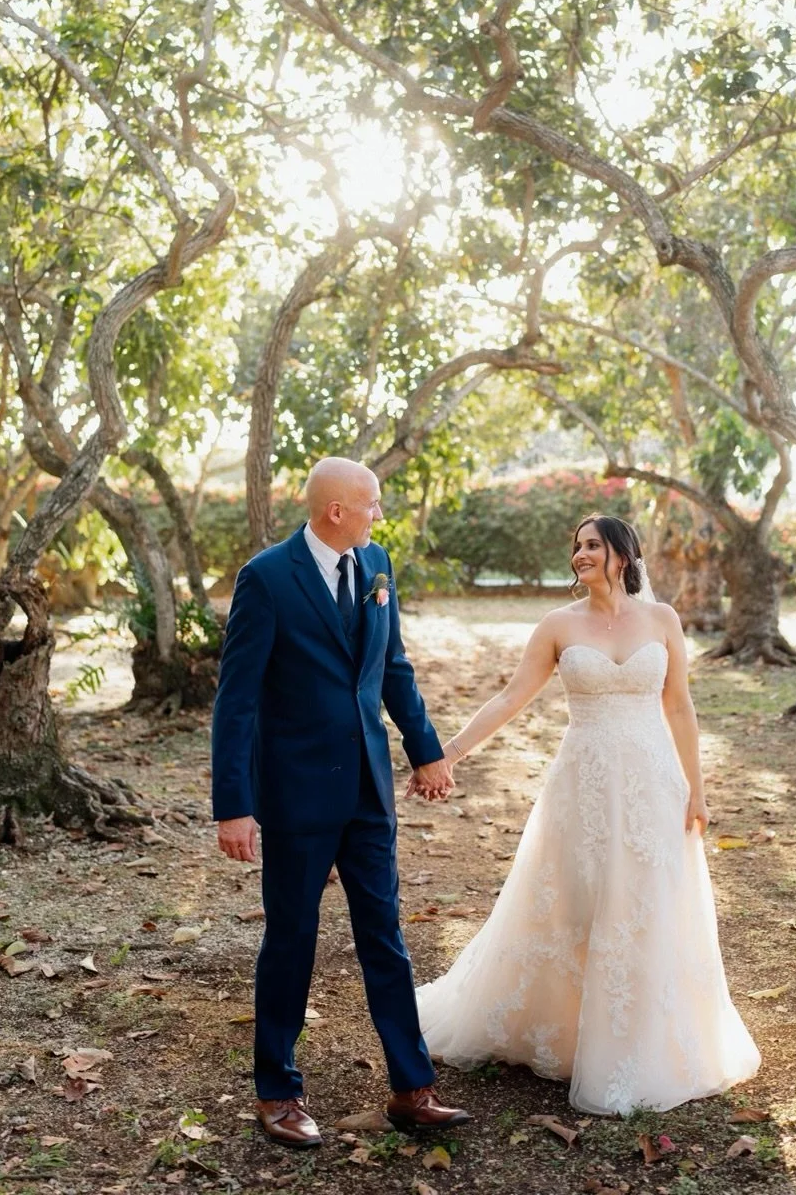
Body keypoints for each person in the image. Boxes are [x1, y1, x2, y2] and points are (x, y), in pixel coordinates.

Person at [414, 514, 761, 1116]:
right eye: (575, 546)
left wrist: (697, 790)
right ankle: (570, 1032)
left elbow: (679, 707)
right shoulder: (557, 626)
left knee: (645, 902)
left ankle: (639, 1035)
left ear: (622, 555)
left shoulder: (663, 620)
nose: (580, 555)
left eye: (592, 545)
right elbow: (510, 696)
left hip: (654, 783)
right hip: (584, 784)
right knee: (577, 902)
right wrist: (447, 754)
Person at [211, 457, 472, 1148]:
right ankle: (277, 1092)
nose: (378, 516)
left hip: (368, 787)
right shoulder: (265, 579)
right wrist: (232, 805)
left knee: (384, 935)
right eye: (371, 505)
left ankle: (411, 1088)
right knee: (292, 940)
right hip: (295, 793)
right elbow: (235, 702)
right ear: (335, 511)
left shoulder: (376, 563)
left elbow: (392, 668)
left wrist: (426, 751)